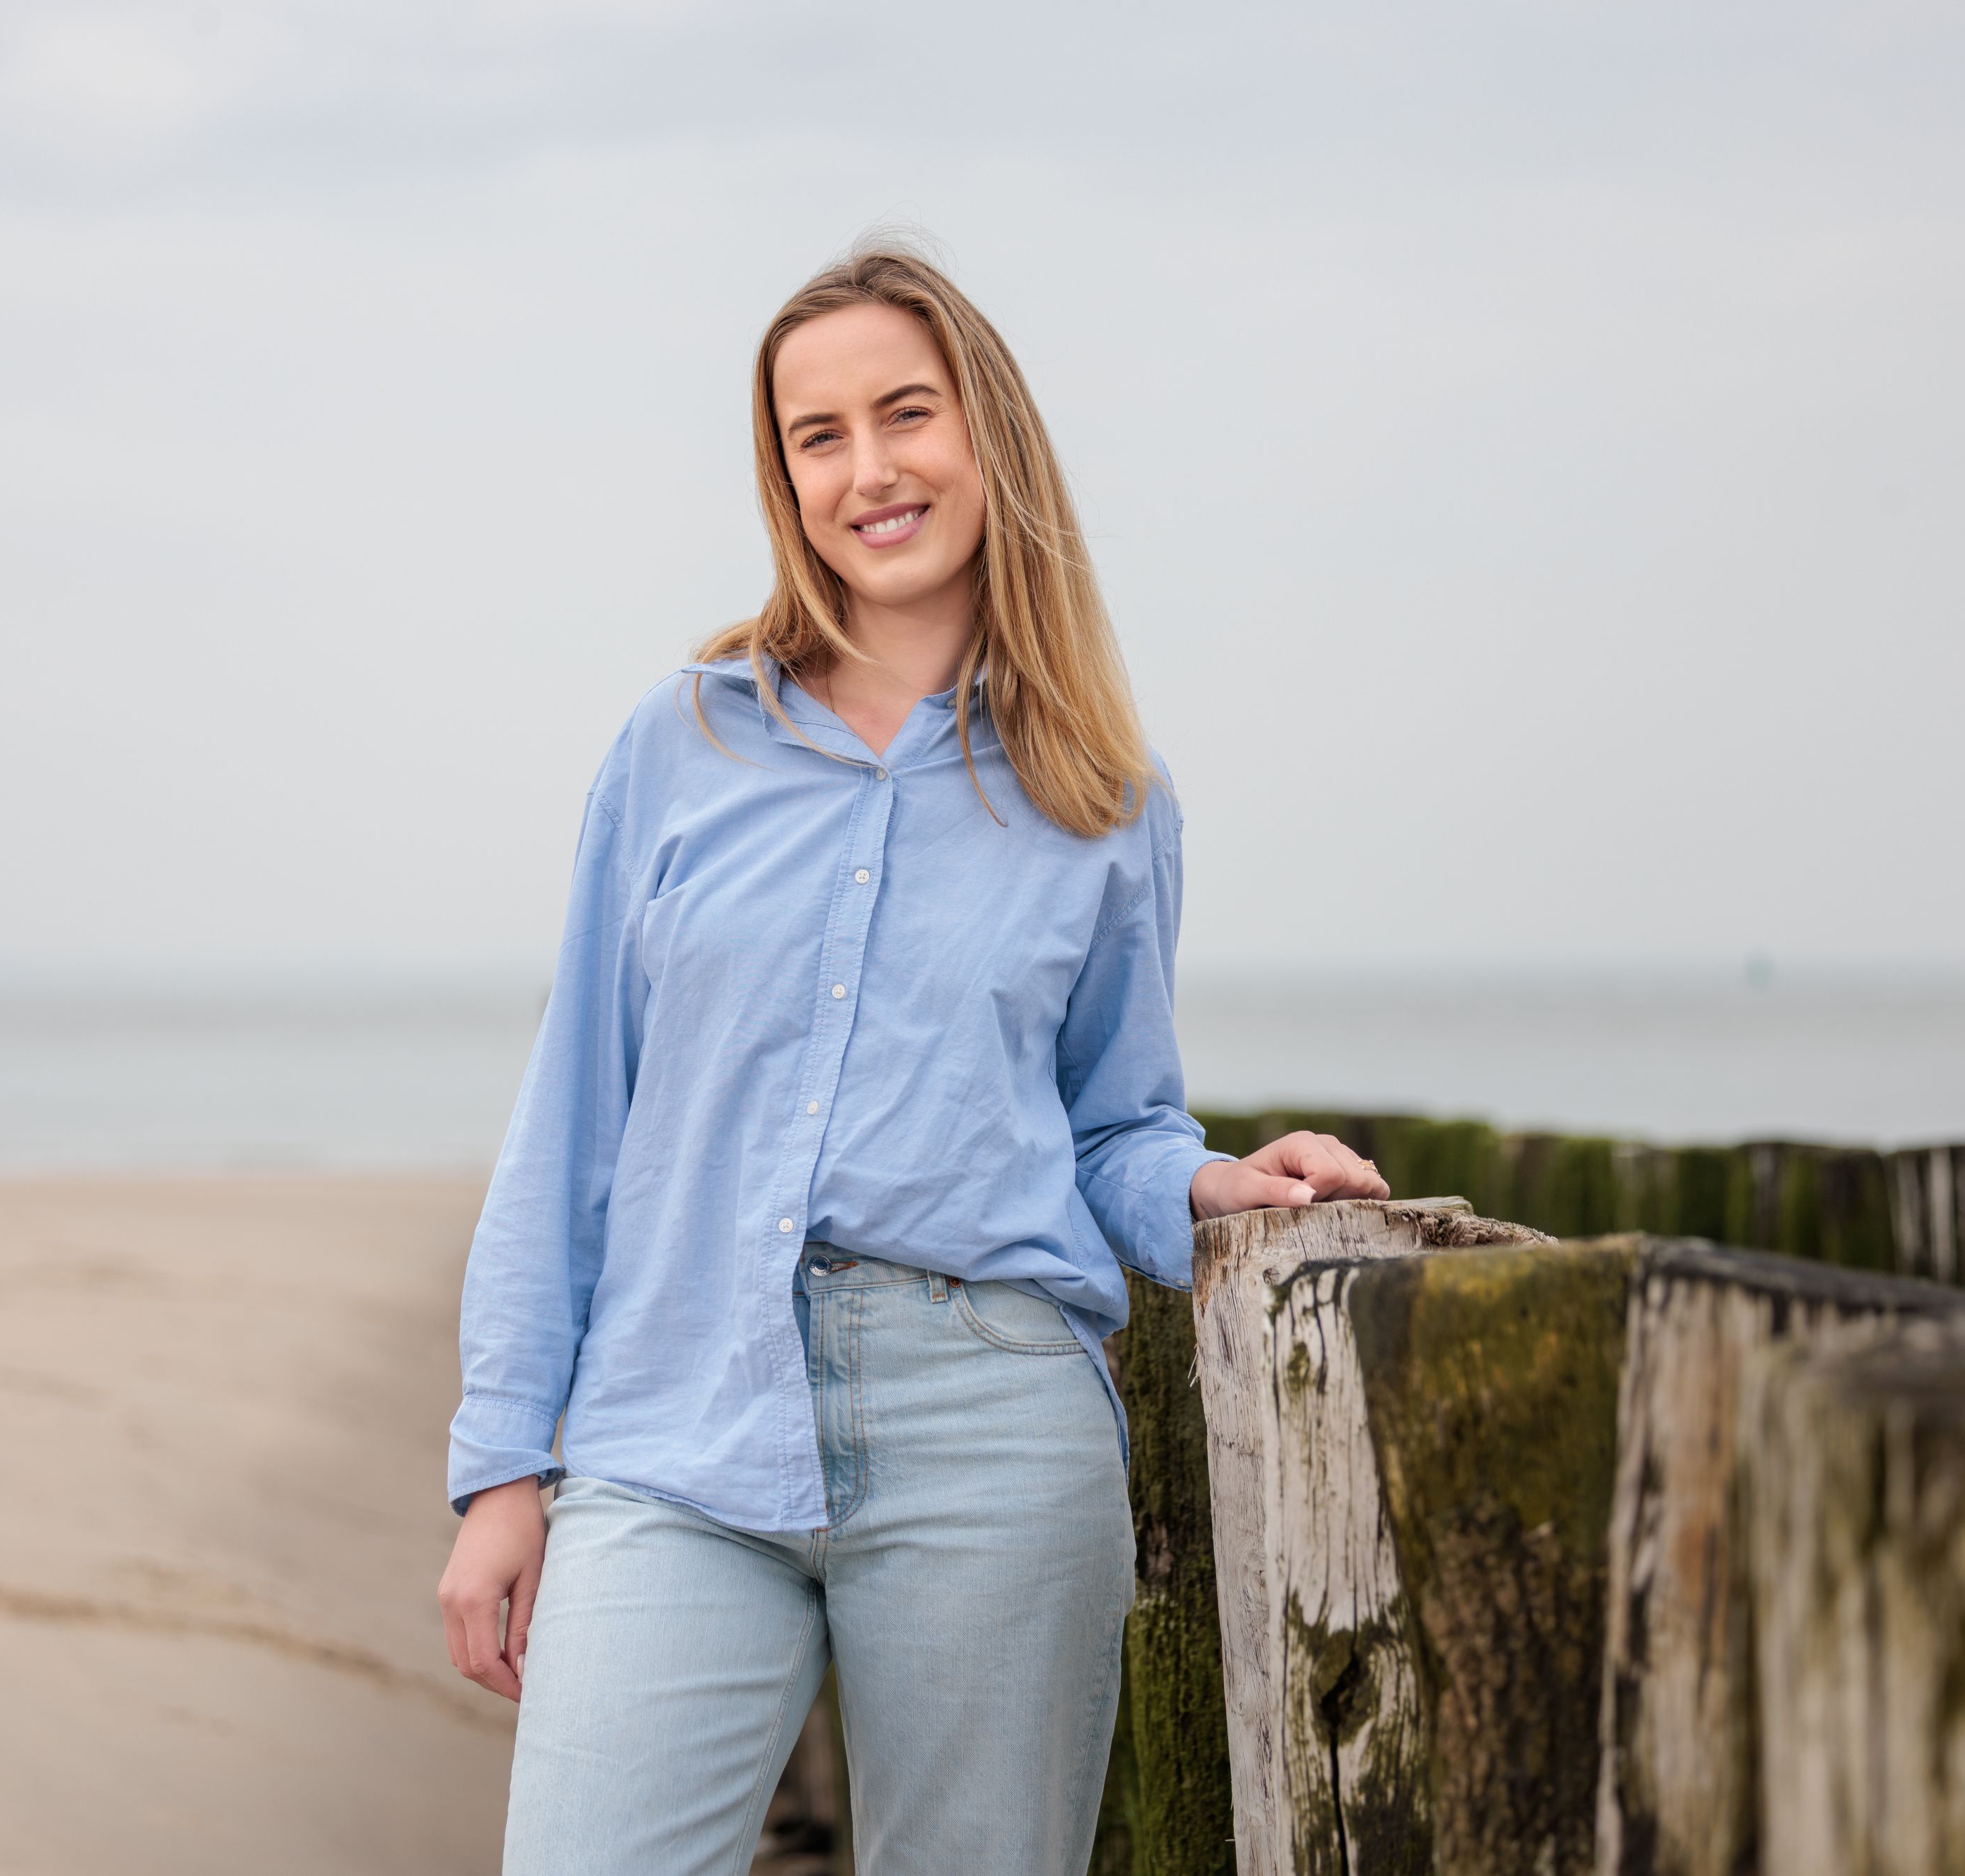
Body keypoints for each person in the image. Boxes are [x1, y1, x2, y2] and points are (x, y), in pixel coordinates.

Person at [437, 243, 1387, 1875]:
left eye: (902, 414)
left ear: (984, 435)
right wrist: (499, 1466)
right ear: (783, 476)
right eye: (816, 435)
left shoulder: (1103, 791)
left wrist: (1214, 1182)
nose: (866, 469)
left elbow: (1108, 1124)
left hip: (994, 1431)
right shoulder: (683, 742)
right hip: (674, 1427)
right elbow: (573, 1121)